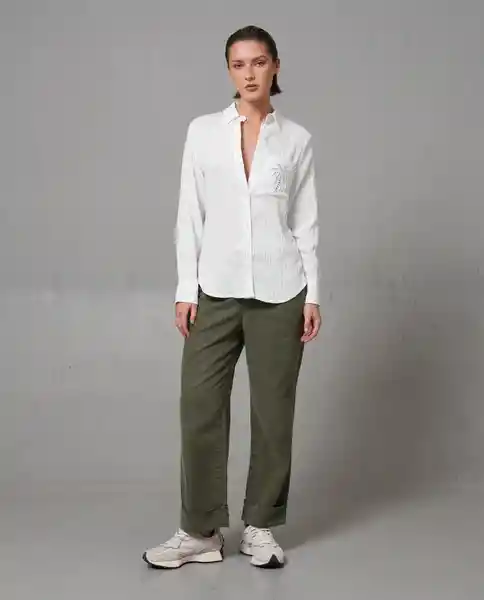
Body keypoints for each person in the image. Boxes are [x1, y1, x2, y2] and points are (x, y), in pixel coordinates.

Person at [142, 24, 321, 570]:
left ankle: (260, 526)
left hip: (281, 291)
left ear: (275, 66)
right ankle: (199, 531)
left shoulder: (296, 140)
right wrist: (184, 288)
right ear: (228, 71)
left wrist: (313, 294)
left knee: (273, 414)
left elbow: (305, 222)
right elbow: (188, 214)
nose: (249, 73)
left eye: (259, 62)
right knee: (199, 406)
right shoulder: (202, 132)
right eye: (238, 64)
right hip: (214, 290)